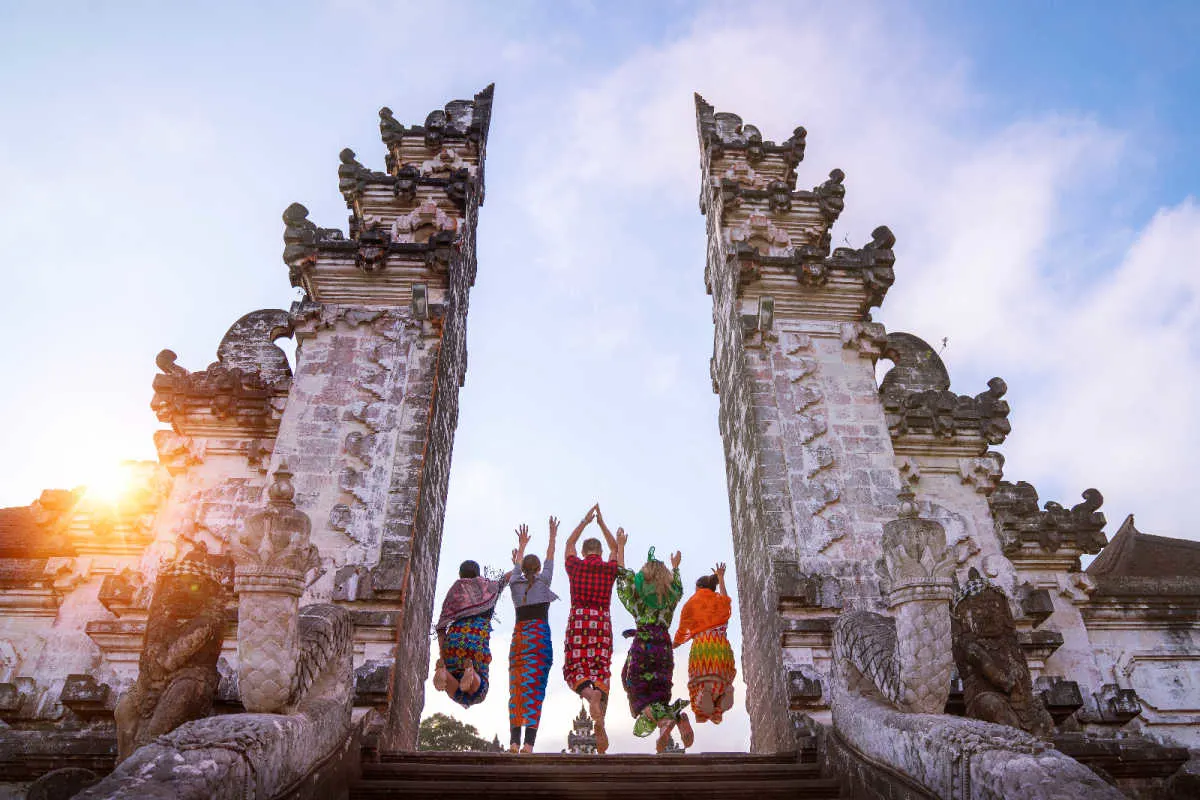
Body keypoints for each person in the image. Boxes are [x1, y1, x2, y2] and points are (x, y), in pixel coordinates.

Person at [616, 547, 692, 752]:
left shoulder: (639, 596)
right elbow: (679, 586)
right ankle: (671, 718)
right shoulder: (671, 594)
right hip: (664, 646)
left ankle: (668, 722)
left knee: (637, 692)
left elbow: (622, 578)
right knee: (659, 693)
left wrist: (621, 547)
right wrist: (676, 567)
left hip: (643, 643)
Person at [562, 504, 622, 753]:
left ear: (584, 552)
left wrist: (586, 521)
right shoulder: (609, 569)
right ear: (600, 551)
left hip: (578, 620)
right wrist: (603, 524)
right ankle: (598, 705)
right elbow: (616, 549)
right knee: (601, 669)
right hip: (601, 622)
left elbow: (568, 543)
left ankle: (588, 694)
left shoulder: (575, 567)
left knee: (574, 669)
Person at [506, 517, 559, 753]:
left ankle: (514, 742)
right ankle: (528, 744)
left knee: (517, 688)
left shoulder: (514, 586)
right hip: (539, 639)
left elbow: (517, 568)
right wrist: (552, 535)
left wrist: (522, 544)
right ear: (538, 570)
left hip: (520, 639)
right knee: (535, 688)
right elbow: (550, 556)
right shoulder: (544, 581)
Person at [433, 559, 508, 708]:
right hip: (475, 640)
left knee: (469, 693)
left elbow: (441, 628)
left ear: (460, 575)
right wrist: (520, 558)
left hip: (454, 642)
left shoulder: (455, 592)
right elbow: (507, 578)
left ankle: (446, 671)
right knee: (478, 693)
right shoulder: (488, 589)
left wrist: (443, 656)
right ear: (478, 573)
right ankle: (470, 673)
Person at [673, 562, 736, 725]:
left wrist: (674, 644)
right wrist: (721, 579)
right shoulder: (718, 600)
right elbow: (726, 600)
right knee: (722, 681)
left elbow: (683, 630)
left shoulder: (692, 603)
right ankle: (722, 696)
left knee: (700, 686)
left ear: (698, 587)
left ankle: (706, 696)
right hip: (721, 646)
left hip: (703, 647)